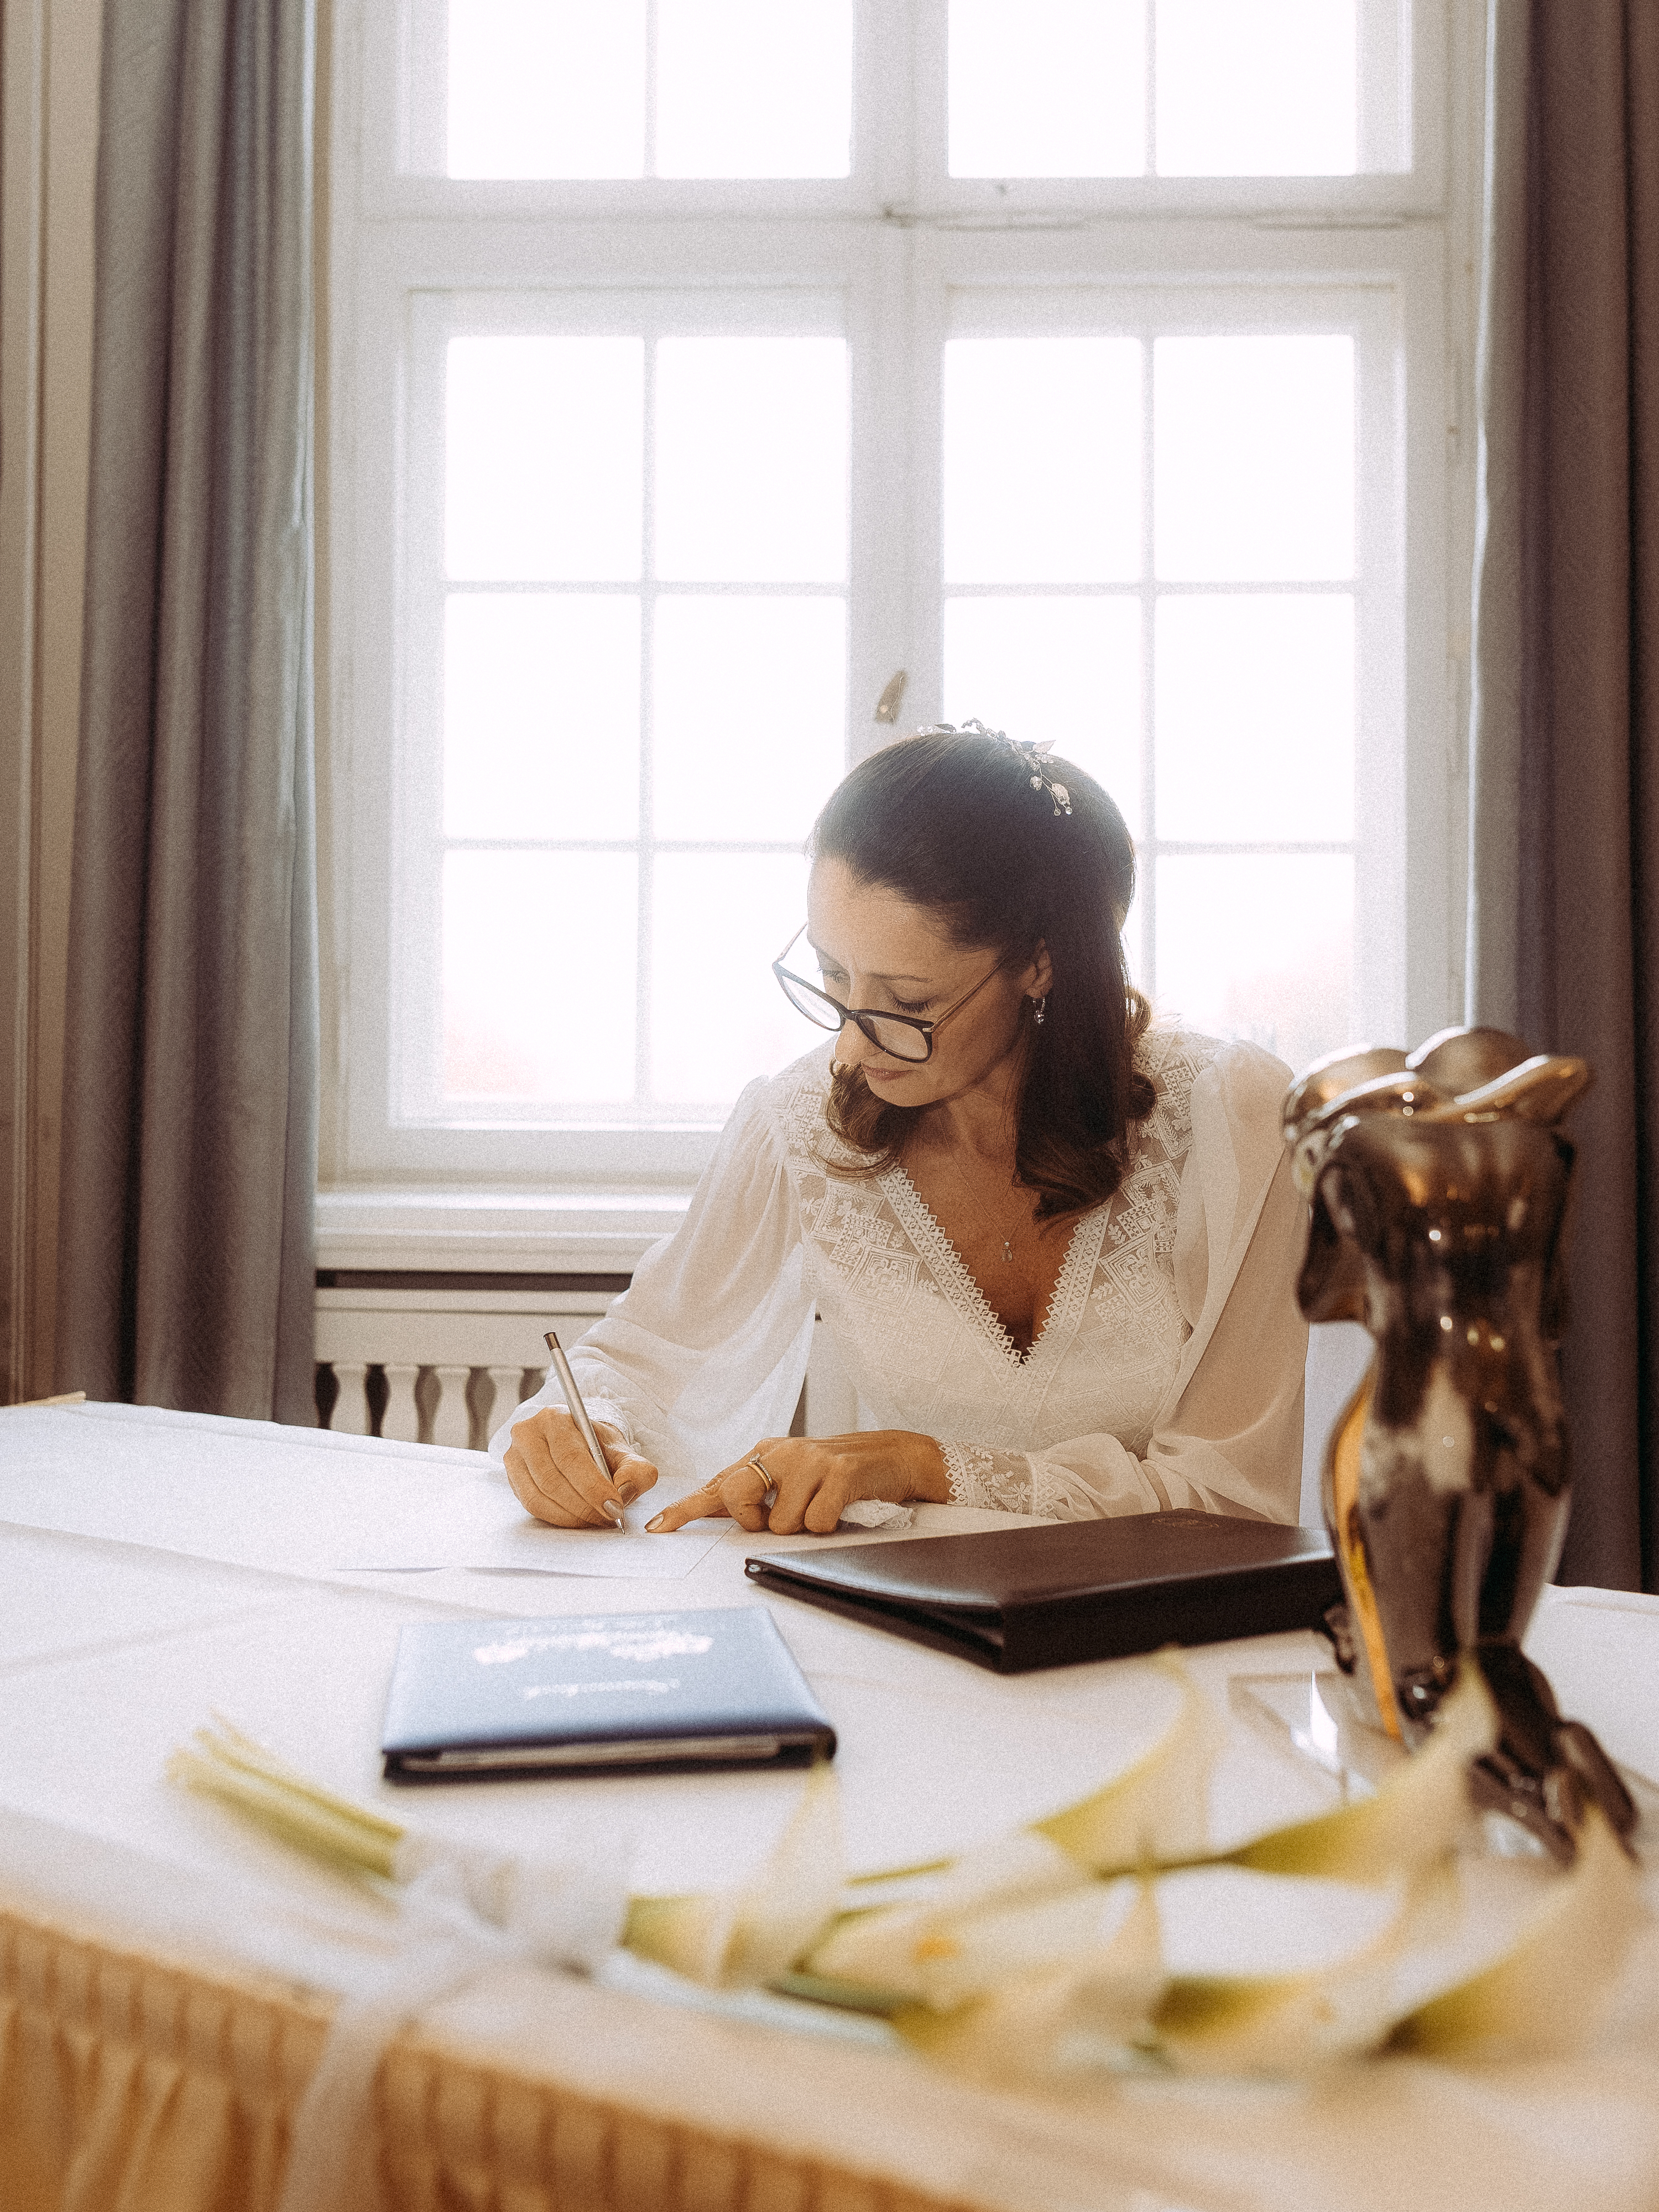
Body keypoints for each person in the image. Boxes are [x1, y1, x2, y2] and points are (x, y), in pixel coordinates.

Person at [491, 723, 1308, 1535]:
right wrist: (583, 1425)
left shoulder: (1227, 1120)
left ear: (1041, 962)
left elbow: (1233, 1498)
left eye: (908, 1003)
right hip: (915, 1627)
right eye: (832, 974)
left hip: (1169, 1634)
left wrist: (923, 1465)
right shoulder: (800, 1122)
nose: (851, 1044)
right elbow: (639, 1356)